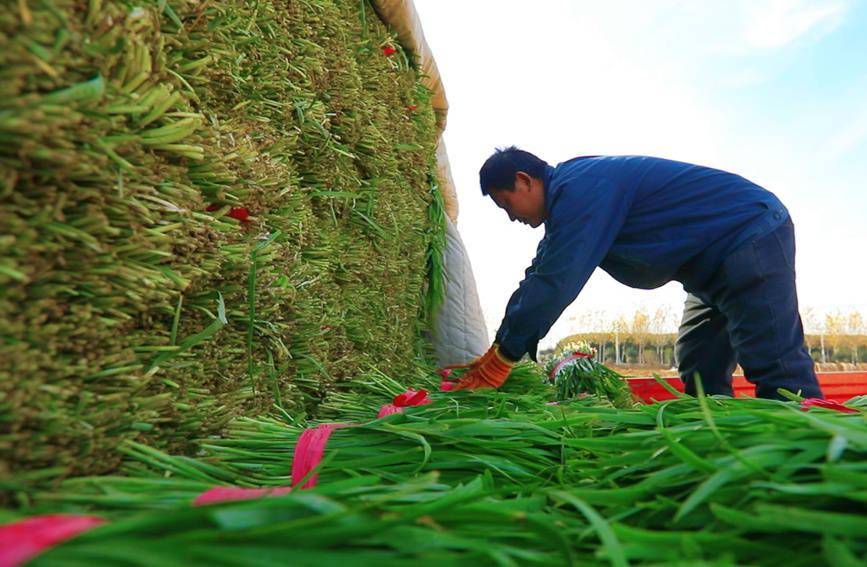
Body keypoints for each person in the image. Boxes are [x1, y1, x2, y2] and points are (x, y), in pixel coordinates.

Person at [452, 147, 823, 401]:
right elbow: (538, 277)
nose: (511, 217)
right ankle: (718, 438)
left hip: (747, 236)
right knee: (698, 359)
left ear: (524, 180)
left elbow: (556, 281)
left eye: (506, 204)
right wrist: (498, 348)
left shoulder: (581, 190)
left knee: (774, 362)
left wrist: (504, 360)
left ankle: (809, 457)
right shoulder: (569, 203)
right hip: (709, 269)